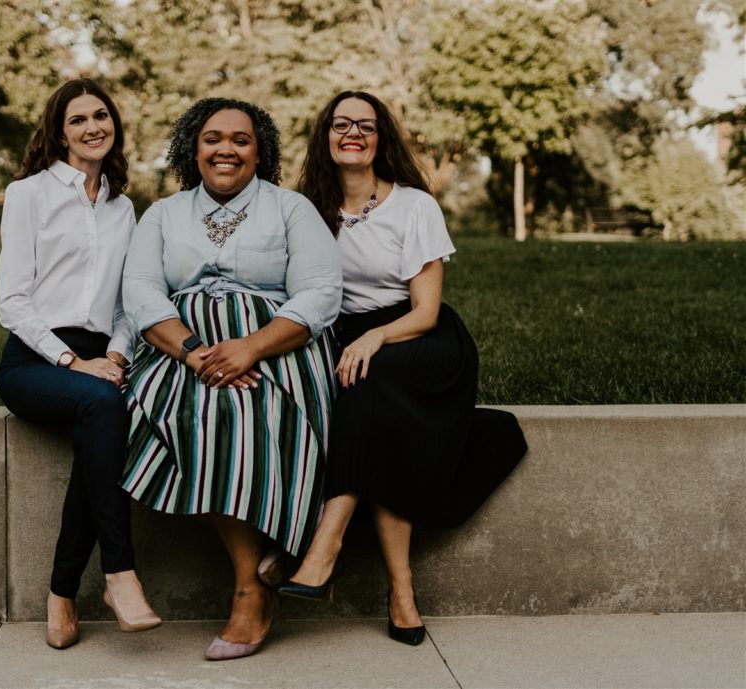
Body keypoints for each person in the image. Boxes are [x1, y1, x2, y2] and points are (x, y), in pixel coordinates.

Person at [278, 91, 527, 645]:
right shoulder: (305, 211)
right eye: (340, 124)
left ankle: (326, 543)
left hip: (419, 339)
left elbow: (427, 310)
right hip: (343, 337)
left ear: (381, 139)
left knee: (370, 382)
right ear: (325, 138)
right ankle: (401, 590)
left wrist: (375, 336)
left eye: (365, 126)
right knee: (368, 401)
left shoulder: (413, 206)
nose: (352, 133)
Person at [121, 98, 342, 660]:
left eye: (241, 140)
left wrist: (250, 347)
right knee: (200, 409)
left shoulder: (291, 209)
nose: (226, 149)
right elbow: (142, 294)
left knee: (245, 408)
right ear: (193, 149)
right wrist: (196, 354)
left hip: (277, 345)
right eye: (212, 138)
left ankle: (257, 580)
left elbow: (320, 293)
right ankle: (256, 580)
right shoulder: (164, 214)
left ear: (259, 150)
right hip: (187, 348)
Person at [0, 78, 160, 650]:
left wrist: (115, 352)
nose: (92, 127)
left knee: (102, 421)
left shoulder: (122, 205)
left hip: (100, 355)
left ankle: (62, 592)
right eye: (77, 119)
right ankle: (120, 575)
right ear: (58, 132)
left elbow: (126, 302)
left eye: (101, 116)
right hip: (34, 358)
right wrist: (72, 361)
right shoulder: (30, 194)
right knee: (102, 401)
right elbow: (12, 302)